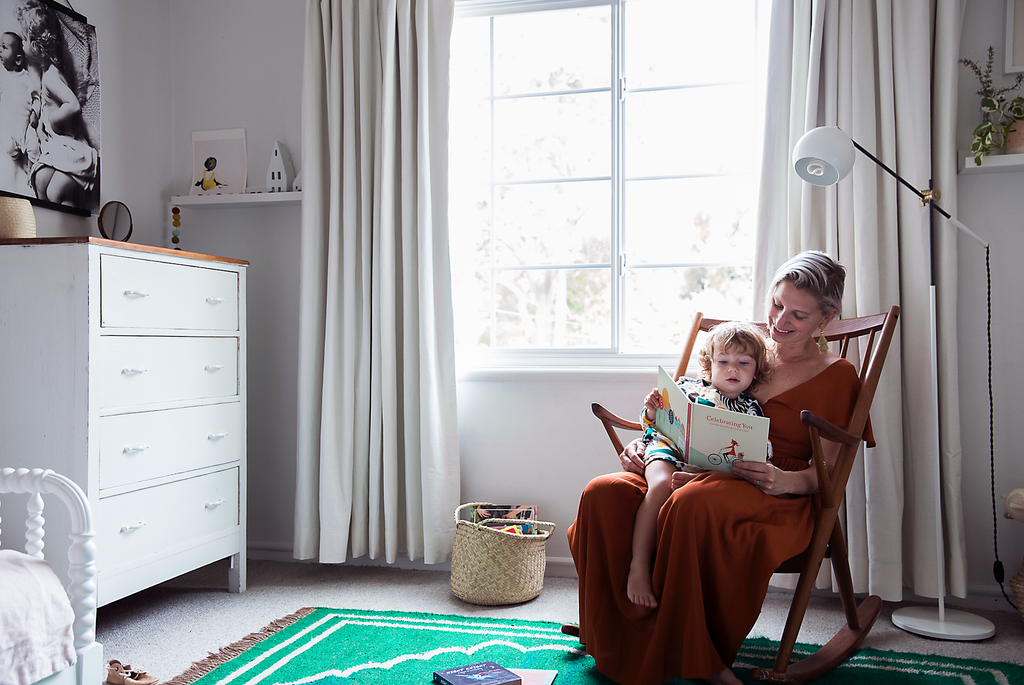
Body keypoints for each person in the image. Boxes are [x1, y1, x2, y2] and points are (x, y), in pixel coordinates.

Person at [566, 250, 873, 685]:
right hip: (696, 465)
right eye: (776, 303)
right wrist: (648, 436)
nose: (779, 320)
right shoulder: (745, 351)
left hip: (771, 489)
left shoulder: (837, 374)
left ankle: (699, 656)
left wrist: (785, 480)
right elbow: (690, 406)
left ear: (827, 318)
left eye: (798, 315)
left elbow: (826, 472)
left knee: (692, 503)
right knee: (604, 492)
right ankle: (620, 633)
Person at [627, 321, 774, 609]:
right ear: (710, 364)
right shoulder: (687, 386)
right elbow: (653, 420)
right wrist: (651, 408)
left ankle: (679, 588)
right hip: (668, 448)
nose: (733, 369)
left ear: (756, 370)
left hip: (708, 468)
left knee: (697, 490)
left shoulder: (752, 409)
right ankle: (639, 567)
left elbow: (759, 450)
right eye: (724, 361)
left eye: (743, 362)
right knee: (658, 486)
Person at [0, 31, 40, 191]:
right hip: (9, 125)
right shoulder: (2, 77)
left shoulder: (26, 78)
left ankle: (31, 168)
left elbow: (37, 98)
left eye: (4, 47)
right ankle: (18, 156)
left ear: (17, 59)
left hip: (26, 126)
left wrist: (35, 113)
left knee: (34, 147)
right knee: (8, 147)